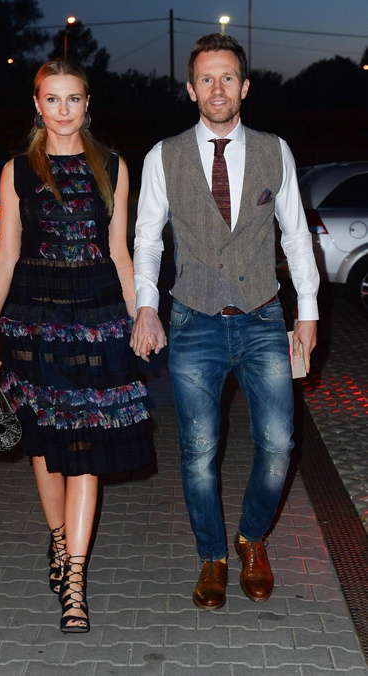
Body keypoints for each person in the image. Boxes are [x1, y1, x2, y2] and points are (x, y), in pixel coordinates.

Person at [130, 34, 319, 610]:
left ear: (244, 86)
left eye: (228, 77)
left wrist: (308, 311)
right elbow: (147, 240)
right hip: (194, 321)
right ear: (191, 90)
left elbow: (295, 235)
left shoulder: (274, 150)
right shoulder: (162, 156)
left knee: (279, 444)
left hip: (263, 317)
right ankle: (211, 555)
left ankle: (251, 539)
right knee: (198, 450)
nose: (218, 88)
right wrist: (145, 306)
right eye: (207, 79)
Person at [0, 59, 154, 633]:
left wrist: (142, 316)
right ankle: (58, 540)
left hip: (98, 320)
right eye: (52, 99)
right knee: (46, 442)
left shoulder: (113, 166)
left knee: (87, 447)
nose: (62, 110)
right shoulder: (17, 170)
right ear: (37, 105)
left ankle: (75, 580)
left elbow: (121, 253)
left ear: (87, 103)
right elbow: (6, 254)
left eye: (72, 98)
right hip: (32, 324)